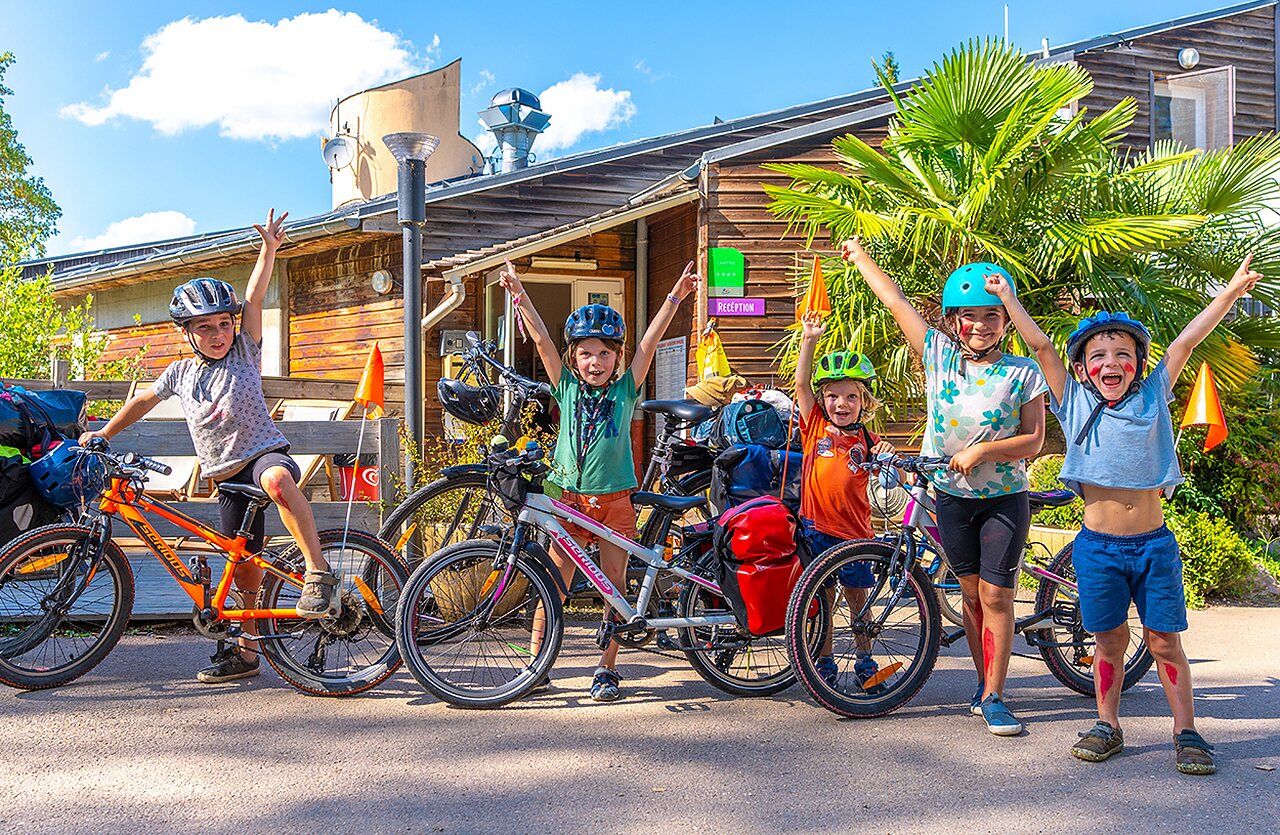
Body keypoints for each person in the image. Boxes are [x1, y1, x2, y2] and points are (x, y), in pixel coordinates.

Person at [991, 255, 1263, 774]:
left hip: (1154, 545)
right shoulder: (1071, 400)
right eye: (1099, 355)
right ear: (1080, 367)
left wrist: (1228, 294)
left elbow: (1185, 341)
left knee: (1164, 640)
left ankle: (1186, 731)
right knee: (1109, 639)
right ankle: (1107, 724)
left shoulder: (1154, 393)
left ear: (1139, 363)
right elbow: (1041, 346)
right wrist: (1009, 299)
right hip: (1097, 548)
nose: (1111, 363)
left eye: (1123, 354)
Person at [81, 209, 338, 684]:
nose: (217, 334)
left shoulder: (245, 349)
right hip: (226, 477)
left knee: (279, 480)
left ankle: (318, 573)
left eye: (223, 324)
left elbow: (257, 296)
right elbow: (141, 400)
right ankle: (245, 654)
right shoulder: (180, 372)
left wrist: (269, 251)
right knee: (242, 571)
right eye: (205, 328)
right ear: (187, 332)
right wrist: (103, 434)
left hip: (263, 454)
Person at [841, 237, 1047, 736]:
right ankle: (983, 683)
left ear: (1005, 321)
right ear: (955, 320)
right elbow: (895, 302)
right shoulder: (937, 355)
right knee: (972, 595)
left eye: (993, 315)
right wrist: (860, 257)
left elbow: (1035, 440)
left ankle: (997, 696)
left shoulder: (1022, 371)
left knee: (998, 596)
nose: (981, 325)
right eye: (970, 315)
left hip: (1002, 498)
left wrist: (981, 452)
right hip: (950, 496)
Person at [498, 258, 700, 701]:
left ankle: (607, 668)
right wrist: (518, 292)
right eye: (586, 353)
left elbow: (649, 344)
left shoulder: (626, 388)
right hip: (567, 499)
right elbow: (540, 338)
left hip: (614, 501)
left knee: (614, 585)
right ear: (574, 359)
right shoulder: (565, 386)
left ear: (617, 358)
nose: (596, 361)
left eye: (605, 353)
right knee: (553, 583)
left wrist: (676, 298)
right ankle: (537, 664)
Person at [794, 310, 895, 687]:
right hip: (816, 528)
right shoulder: (815, 424)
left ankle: (866, 661)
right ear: (823, 400)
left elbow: (894, 475)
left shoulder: (868, 441)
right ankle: (824, 662)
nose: (841, 403)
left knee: (859, 602)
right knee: (822, 600)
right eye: (833, 396)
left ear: (863, 400)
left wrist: (887, 456)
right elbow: (801, 384)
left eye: (851, 396)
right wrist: (809, 339)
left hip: (856, 535)